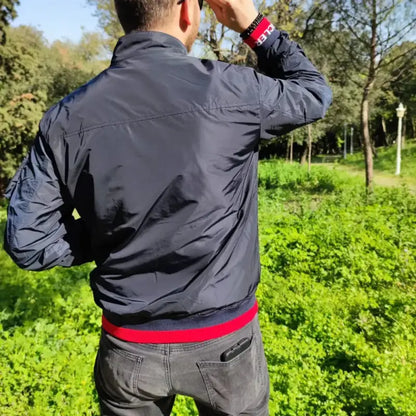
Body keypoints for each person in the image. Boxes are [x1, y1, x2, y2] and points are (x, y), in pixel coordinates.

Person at [3, 0, 332, 414]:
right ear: (186, 11)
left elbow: (28, 240)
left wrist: (108, 231)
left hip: (129, 348)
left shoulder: (66, 118)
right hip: (226, 341)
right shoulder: (233, 90)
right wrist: (251, 23)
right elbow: (314, 92)